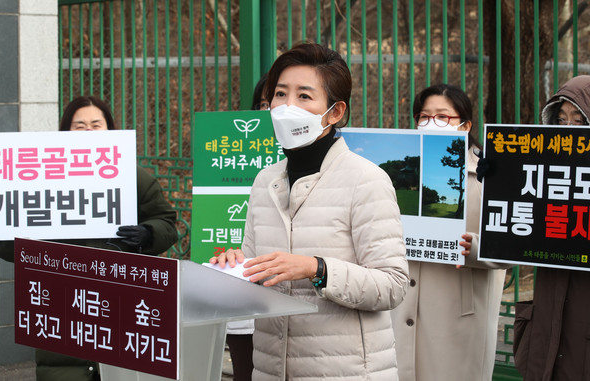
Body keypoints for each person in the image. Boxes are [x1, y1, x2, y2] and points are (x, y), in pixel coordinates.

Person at [209, 42, 409, 380]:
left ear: (334, 112)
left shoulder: (366, 180)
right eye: (280, 94)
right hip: (272, 367)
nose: (287, 107)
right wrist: (236, 265)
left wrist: (317, 269)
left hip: (346, 371)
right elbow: (259, 267)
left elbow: (392, 284)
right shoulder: (264, 181)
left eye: (304, 96)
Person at [0, 95, 179, 381]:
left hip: (121, 296)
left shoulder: (135, 177)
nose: (88, 132)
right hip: (60, 302)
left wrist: (148, 233)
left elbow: (167, 223)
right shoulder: (38, 177)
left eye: (96, 124)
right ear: (65, 133)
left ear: (111, 130)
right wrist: (6, 239)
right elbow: (10, 238)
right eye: (79, 126)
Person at [390, 83, 510, 381]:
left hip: (458, 310)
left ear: (465, 125)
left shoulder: (489, 173)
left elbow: (514, 244)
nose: (432, 123)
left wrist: (476, 248)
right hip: (401, 302)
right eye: (424, 116)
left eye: (443, 117)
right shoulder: (400, 173)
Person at [511, 75, 590, 380]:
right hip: (544, 338)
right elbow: (507, 244)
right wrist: (500, 182)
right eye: (561, 120)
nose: (568, 130)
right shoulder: (539, 180)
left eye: (580, 121)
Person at [225, 73, 269, 381]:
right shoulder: (231, 156)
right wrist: (225, 260)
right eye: (265, 102)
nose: (272, 111)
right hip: (245, 310)